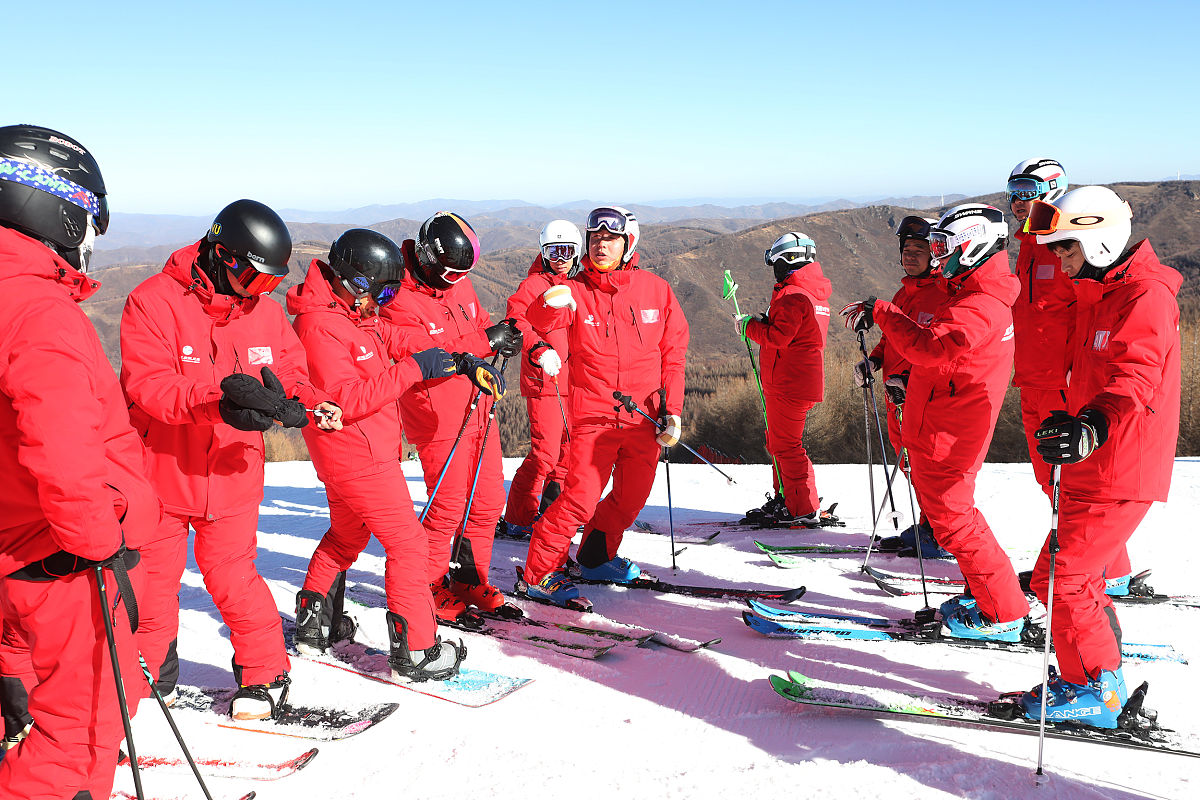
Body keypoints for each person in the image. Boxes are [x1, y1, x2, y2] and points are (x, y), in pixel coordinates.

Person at [120, 199, 343, 720]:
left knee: (234, 578)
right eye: (253, 279)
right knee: (152, 583)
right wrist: (216, 401)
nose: (260, 293)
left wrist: (298, 402)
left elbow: (289, 366)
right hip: (162, 472)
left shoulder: (261, 311)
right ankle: (152, 674)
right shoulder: (153, 302)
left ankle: (265, 676)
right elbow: (148, 386)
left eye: (270, 284)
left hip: (233, 474)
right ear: (220, 254)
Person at [0, 124, 158, 799]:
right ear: (57, 208)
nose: (89, 243)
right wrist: (100, 539)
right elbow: (60, 447)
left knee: (29, 708)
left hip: (16, 546)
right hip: (60, 559)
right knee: (82, 729)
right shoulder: (39, 311)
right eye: (87, 221)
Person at [286, 228, 504, 680]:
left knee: (347, 537)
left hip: (358, 454)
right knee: (407, 544)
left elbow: (395, 337)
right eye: (382, 290)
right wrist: (412, 370)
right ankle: (417, 650)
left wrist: (461, 360)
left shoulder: (352, 313)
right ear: (354, 279)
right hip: (357, 455)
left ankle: (312, 626)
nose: (385, 300)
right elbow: (345, 400)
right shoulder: (320, 325)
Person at [1020, 186, 1180, 728]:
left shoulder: (1146, 296)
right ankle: (1088, 672)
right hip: (1093, 461)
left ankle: (1097, 689)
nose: (1060, 262)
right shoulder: (1100, 292)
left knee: (1067, 579)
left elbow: (1135, 376)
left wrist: (1093, 424)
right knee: (1058, 576)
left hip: (1122, 464)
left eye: (1067, 248)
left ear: (1099, 239)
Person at [841, 204, 1032, 642]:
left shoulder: (980, 302)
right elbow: (925, 347)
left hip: (952, 429)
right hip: (939, 420)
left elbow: (932, 346)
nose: (936, 255)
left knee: (956, 521)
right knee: (954, 519)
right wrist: (882, 355)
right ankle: (988, 594)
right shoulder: (966, 290)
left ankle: (1001, 611)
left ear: (974, 246)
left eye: (944, 246)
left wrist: (885, 314)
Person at [518, 206, 688, 608]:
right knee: (579, 497)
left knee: (631, 498)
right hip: (594, 416)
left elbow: (673, 353)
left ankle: (595, 557)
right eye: (594, 239)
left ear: (629, 243)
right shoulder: (574, 291)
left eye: (610, 239)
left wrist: (673, 409)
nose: (600, 245)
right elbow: (528, 321)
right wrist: (546, 311)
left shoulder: (656, 290)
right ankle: (540, 572)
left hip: (644, 418)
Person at [378, 212, 518, 625]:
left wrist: (500, 340)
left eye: (460, 274)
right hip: (437, 416)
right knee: (448, 507)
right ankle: (428, 585)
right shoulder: (396, 296)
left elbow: (474, 329)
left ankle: (469, 578)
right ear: (425, 255)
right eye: (446, 272)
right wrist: (483, 340)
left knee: (489, 501)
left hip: (477, 406)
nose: (452, 281)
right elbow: (421, 351)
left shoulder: (458, 285)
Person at [855, 216, 948, 557]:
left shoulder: (942, 296)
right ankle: (929, 526)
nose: (911, 256)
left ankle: (941, 532)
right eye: (906, 249)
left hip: (922, 400)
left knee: (929, 469)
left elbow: (941, 352)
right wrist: (875, 361)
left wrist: (911, 382)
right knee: (912, 469)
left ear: (936, 253)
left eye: (919, 250)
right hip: (896, 400)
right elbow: (891, 340)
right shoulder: (904, 292)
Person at [732, 232, 834, 525]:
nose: (773, 269)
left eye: (775, 262)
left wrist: (749, 327)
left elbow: (778, 337)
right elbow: (793, 334)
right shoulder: (812, 293)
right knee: (779, 442)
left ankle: (801, 506)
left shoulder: (793, 295)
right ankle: (789, 498)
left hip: (789, 382)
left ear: (787, 261)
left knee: (787, 446)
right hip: (797, 380)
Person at [500, 220, 581, 538]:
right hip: (545, 380)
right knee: (545, 453)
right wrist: (539, 349)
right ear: (543, 251)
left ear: (577, 253)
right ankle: (519, 518)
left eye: (566, 250)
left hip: (577, 381)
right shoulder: (534, 285)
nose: (559, 257)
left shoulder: (583, 284)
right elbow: (515, 320)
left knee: (571, 449)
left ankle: (553, 511)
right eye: (552, 250)